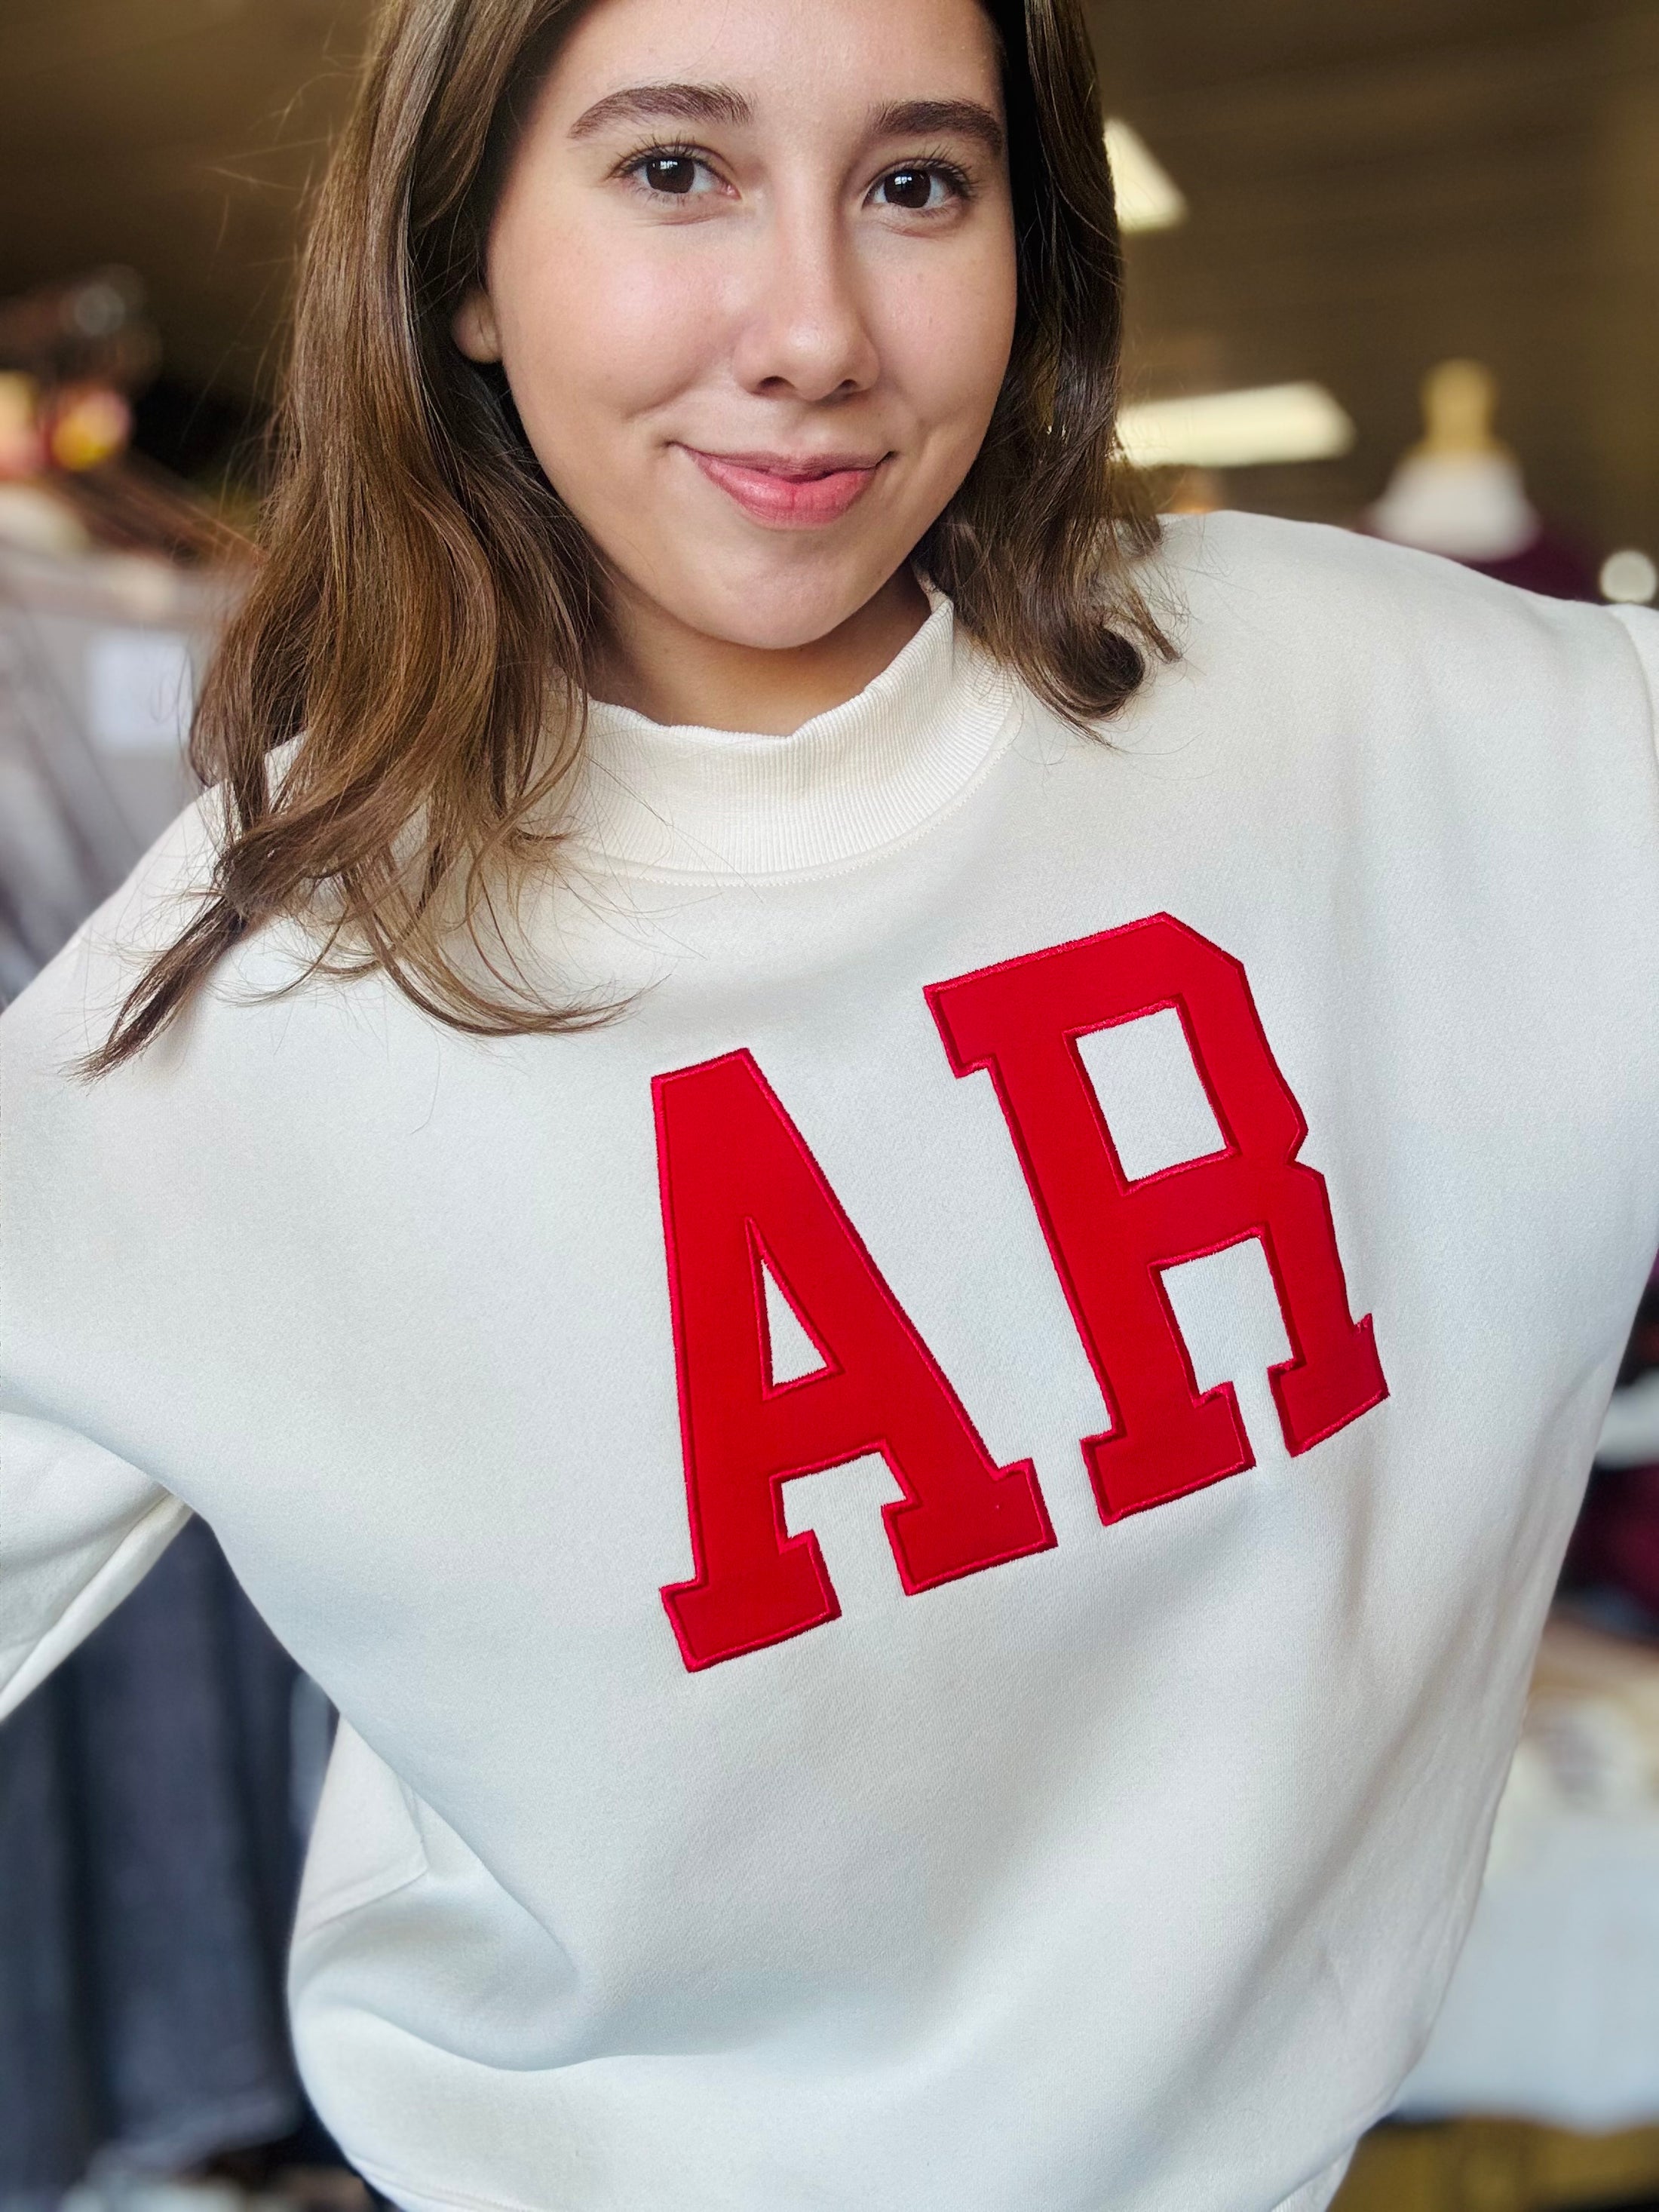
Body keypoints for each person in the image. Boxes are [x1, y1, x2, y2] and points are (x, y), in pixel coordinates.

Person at [3, 0, 1657, 2205]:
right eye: (677, 169)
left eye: (917, 185)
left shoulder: (1384, 716)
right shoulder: (237, 1005)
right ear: (465, 260)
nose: (812, 330)